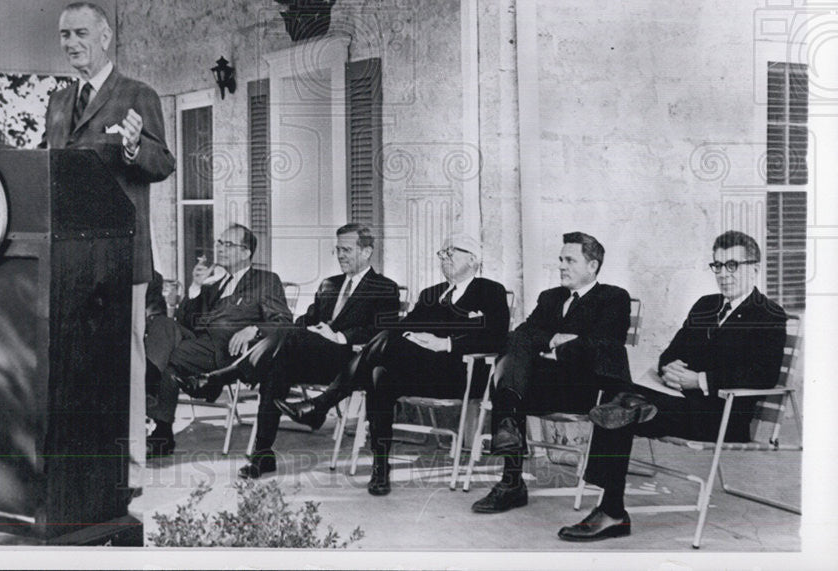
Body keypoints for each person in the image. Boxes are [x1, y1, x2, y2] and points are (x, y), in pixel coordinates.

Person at [556, 230, 787, 542]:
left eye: (732, 265)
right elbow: (671, 353)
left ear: (754, 268)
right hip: (682, 405)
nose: (723, 274)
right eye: (717, 266)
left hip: (723, 416)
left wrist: (700, 379)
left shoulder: (768, 314)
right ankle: (610, 509)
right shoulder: (706, 305)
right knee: (618, 396)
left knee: (624, 407)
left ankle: (610, 510)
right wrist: (669, 368)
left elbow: (762, 374)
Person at [43, 1, 175, 490]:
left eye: (79, 33)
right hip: (69, 258)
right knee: (74, 359)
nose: (71, 43)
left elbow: (163, 164)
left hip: (122, 256)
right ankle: (81, 463)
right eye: (64, 35)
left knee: (125, 360)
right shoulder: (58, 102)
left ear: (105, 37)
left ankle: (130, 470)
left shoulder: (137, 94)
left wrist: (136, 147)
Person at [279, 233, 510, 496]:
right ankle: (380, 468)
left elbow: (496, 335)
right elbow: (405, 326)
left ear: (472, 260)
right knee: (380, 373)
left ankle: (323, 403)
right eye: (441, 254)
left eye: (450, 253)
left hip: (460, 373)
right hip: (422, 371)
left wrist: (446, 343)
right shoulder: (431, 294)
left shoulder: (490, 291)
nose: (443, 259)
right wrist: (414, 338)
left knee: (385, 345)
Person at [184, 224, 401, 479]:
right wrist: (312, 331)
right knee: (279, 365)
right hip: (318, 358)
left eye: (347, 249)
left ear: (366, 252)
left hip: (352, 361)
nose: (341, 255)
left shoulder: (384, 287)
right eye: (338, 249)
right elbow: (305, 321)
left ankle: (221, 377)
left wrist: (339, 336)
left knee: (284, 338)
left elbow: (383, 332)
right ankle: (262, 454)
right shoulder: (329, 285)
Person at [471, 231, 631, 514]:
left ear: (592, 265)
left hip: (587, 390)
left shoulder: (613, 298)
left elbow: (602, 346)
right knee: (512, 350)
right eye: (560, 259)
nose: (561, 266)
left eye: (570, 260)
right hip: (545, 386)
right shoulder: (550, 297)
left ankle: (510, 477)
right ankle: (511, 483)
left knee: (510, 380)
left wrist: (549, 344)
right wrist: (557, 339)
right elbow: (522, 334)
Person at [143, 223, 291, 457]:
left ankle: (159, 422)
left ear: (246, 253)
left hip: (226, 352)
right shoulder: (215, 285)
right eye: (219, 243)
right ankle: (155, 404)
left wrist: (254, 328)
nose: (220, 249)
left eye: (228, 244)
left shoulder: (265, 280)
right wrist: (196, 287)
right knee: (162, 323)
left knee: (165, 361)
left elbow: (284, 321)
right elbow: (185, 321)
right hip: (197, 345)